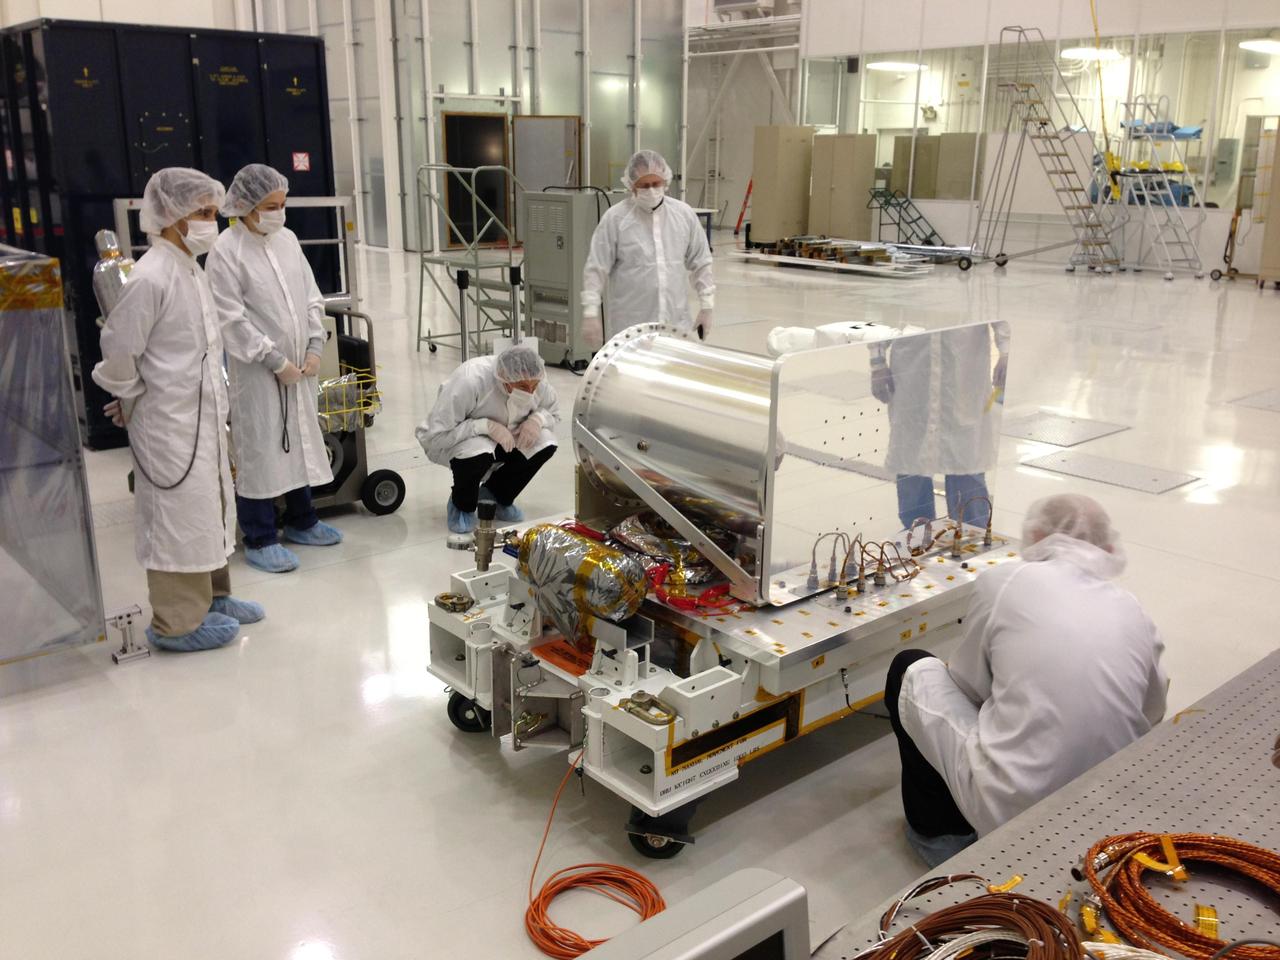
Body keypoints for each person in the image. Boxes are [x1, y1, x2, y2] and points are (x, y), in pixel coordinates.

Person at [885, 493, 1167, 866]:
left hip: (1013, 805)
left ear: (1035, 535)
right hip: (1106, 808)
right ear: (1108, 546)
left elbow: (967, 685)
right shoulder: (1132, 607)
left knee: (910, 668)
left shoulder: (1004, 581)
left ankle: (941, 838)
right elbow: (1153, 710)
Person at [93, 167, 264, 653]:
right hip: (168, 422)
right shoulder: (151, 276)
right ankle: (176, 622)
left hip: (201, 414)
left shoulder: (189, 265)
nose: (212, 221)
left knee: (210, 504)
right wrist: (130, 398)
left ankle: (214, 597)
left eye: (212, 211)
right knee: (177, 517)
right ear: (171, 216)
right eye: (204, 212)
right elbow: (119, 348)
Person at [206, 163, 341, 574]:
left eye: (282, 204)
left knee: (298, 439)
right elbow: (230, 319)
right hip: (257, 374)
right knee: (260, 450)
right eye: (270, 206)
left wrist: (315, 345)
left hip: (299, 367)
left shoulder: (288, 240)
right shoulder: (226, 251)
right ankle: (260, 536)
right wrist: (274, 360)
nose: (278, 213)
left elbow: (311, 297)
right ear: (245, 206)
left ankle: (302, 520)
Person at [870, 322, 1009, 531]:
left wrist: (1006, 352)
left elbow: (999, 309)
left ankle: (972, 537)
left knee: (966, 464)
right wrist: (877, 362)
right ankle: (917, 537)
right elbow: (883, 316)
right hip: (913, 374)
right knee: (912, 464)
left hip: (964, 376)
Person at [416, 345, 560, 534]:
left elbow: (553, 411)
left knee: (545, 442)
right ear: (504, 377)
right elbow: (434, 436)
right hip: (464, 440)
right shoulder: (470, 380)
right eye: (523, 387)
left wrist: (537, 420)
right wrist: (483, 426)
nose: (530, 392)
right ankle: (462, 505)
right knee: (477, 451)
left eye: (534, 386)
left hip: (509, 438)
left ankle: (496, 495)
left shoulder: (535, 376)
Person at [581, 149, 715, 343]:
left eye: (656, 184)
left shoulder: (683, 215)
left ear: (665, 182)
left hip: (675, 324)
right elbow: (596, 268)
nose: (651, 190)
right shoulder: (616, 219)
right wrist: (590, 312)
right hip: (630, 328)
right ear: (631, 186)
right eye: (644, 185)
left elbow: (701, 262)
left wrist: (707, 306)